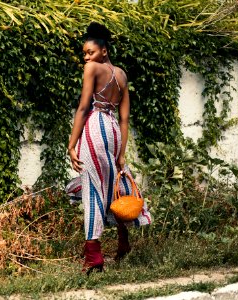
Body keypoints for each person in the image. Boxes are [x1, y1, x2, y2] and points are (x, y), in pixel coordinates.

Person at [66, 22, 152, 274]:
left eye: (89, 52)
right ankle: (123, 241)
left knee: (93, 188)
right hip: (113, 130)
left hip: (94, 127)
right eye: (84, 53)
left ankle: (94, 257)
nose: (86, 57)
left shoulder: (92, 68)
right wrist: (122, 153)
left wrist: (71, 145)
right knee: (112, 185)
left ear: (103, 51)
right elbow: (125, 119)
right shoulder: (122, 74)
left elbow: (83, 107)